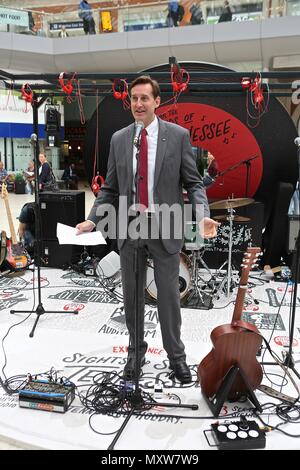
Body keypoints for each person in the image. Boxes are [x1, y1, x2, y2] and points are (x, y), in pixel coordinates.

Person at [76, 76, 219, 383]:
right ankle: (135, 353)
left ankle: (176, 357)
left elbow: (193, 183)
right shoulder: (119, 139)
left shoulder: (178, 136)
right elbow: (110, 188)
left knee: (169, 297)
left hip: (165, 226)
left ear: (157, 101)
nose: (138, 104)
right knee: (132, 298)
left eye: (144, 98)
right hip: (129, 229)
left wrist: (202, 215)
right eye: (134, 99)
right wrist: (92, 218)